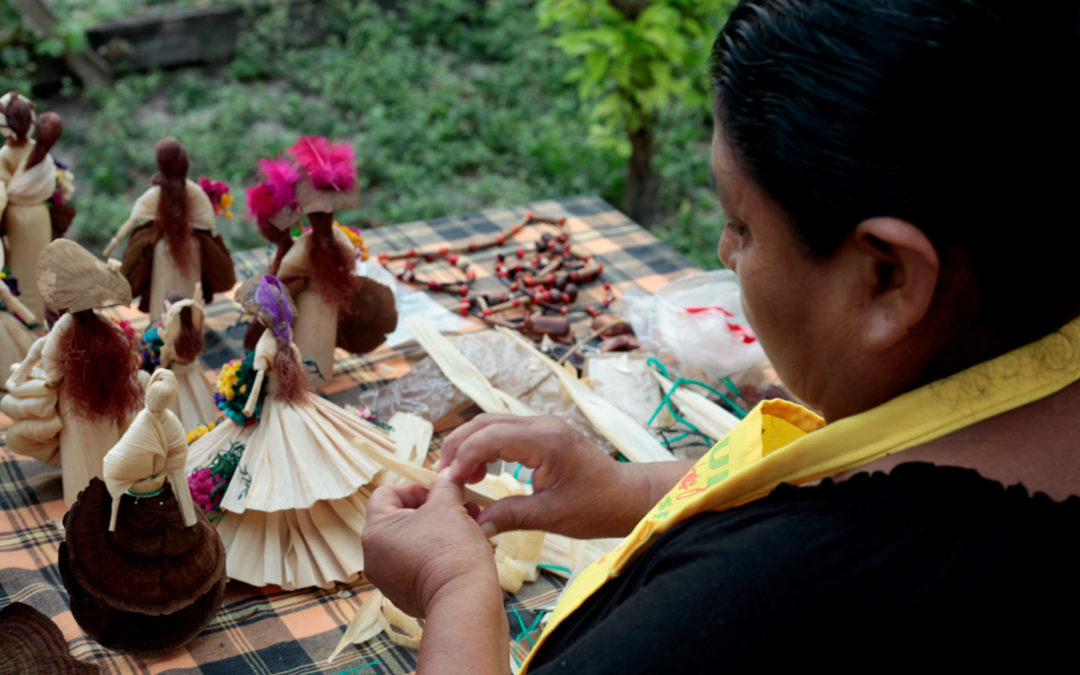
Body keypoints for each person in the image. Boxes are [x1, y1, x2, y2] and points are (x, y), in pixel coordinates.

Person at [360, 0, 1080, 671]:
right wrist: (631, 487)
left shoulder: (766, 596)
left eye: (743, 224)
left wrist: (454, 588)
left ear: (888, 278)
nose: (724, 251)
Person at [185, 274, 390, 590]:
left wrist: (245, 407)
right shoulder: (287, 340)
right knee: (310, 459)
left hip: (273, 409)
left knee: (273, 467)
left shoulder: (267, 344)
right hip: (297, 404)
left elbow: (255, 385)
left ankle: (283, 554)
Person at [2, 239, 144, 507]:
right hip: (103, 396)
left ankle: (86, 502)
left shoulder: (65, 327)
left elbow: (51, 361)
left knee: (85, 447)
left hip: (77, 399)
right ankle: (103, 498)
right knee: (104, 443)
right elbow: (125, 348)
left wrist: (54, 379)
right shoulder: (103, 325)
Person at [104, 137, 235, 320]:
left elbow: (133, 219)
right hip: (190, 249)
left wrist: (114, 242)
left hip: (165, 251)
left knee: (165, 299)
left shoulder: (158, 194)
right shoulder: (194, 192)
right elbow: (208, 224)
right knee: (186, 299)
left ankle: (163, 325)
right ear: (184, 164)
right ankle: (188, 326)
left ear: (160, 165)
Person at [0, 95, 61, 321]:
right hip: (38, 213)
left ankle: (29, 315)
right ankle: (43, 314)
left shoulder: (6, 154)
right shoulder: (37, 149)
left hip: (18, 214)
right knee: (34, 263)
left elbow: (4, 187)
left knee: (27, 264)